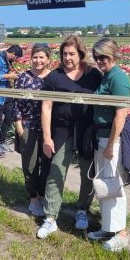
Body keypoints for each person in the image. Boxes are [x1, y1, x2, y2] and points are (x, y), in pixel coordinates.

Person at [37, 35, 102, 239]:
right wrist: (47, 137)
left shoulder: (93, 75)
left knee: (87, 173)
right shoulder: (54, 77)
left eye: (72, 54)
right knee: (56, 170)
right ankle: (50, 217)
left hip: (86, 130)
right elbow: (46, 107)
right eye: (64, 54)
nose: (67, 58)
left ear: (81, 54)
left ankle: (82, 209)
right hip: (61, 129)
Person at [87, 38, 130, 252]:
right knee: (105, 185)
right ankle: (108, 228)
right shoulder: (107, 76)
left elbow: (120, 116)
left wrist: (111, 145)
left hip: (111, 138)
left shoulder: (119, 78)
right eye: (96, 57)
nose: (99, 61)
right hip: (101, 136)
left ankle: (121, 234)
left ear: (113, 55)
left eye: (103, 56)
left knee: (114, 185)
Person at [12, 44, 53, 216]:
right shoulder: (23, 77)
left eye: (42, 57)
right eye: (35, 57)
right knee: (30, 164)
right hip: (28, 126)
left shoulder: (53, 78)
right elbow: (17, 103)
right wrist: (19, 127)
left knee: (47, 164)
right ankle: (33, 198)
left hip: (48, 129)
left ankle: (43, 195)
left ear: (48, 59)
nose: (38, 60)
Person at [0, 44, 23, 157]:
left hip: (7, 93)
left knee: (9, 118)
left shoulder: (7, 60)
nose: (17, 60)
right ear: (13, 54)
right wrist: (8, 76)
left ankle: (2, 141)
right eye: (17, 58)